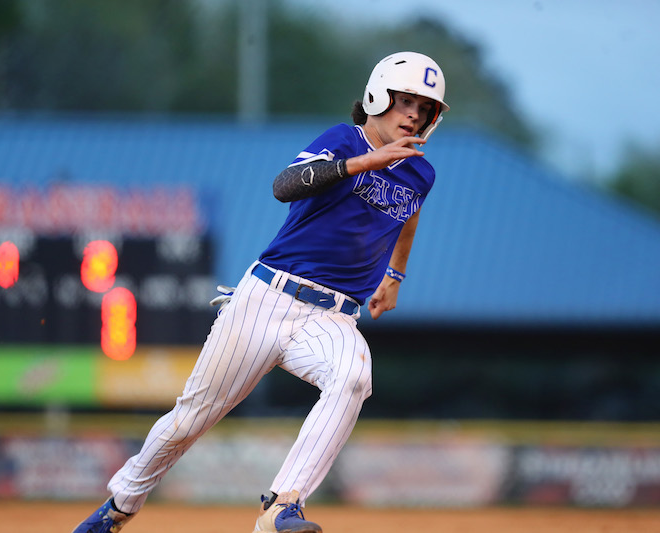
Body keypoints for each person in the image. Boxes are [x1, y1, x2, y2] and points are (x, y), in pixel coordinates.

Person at [73, 50, 449, 533]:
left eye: (425, 107)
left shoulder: (420, 172)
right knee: (190, 421)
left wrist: (394, 276)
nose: (414, 114)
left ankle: (282, 506)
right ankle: (120, 506)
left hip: (333, 316)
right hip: (268, 298)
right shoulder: (344, 140)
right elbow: (284, 185)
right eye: (405, 101)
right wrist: (362, 163)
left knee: (354, 377)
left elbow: (408, 214)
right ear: (378, 96)